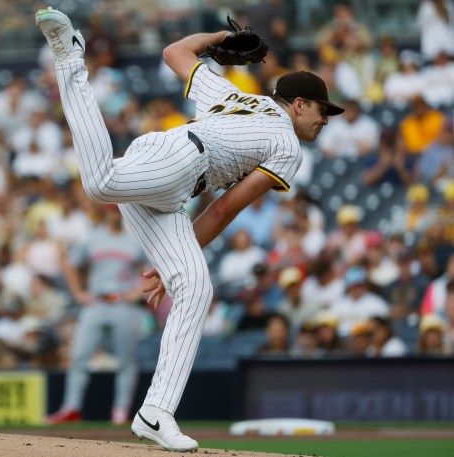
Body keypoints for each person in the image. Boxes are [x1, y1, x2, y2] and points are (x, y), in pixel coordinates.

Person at [34, 7, 344, 452]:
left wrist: (217, 39)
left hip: (170, 184)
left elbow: (174, 51)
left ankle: (155, 413)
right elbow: (223, 211)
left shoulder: (232, 93)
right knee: (100, 183)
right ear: (298, 104)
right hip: (179, 160)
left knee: (195, 287)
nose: (325, 118)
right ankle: (70, 57)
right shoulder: (287, 145)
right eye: (321, 109)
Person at [46, 204, 147, 426]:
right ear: (104, 212)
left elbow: (152, 269)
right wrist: (78, 293)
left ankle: (120, 411)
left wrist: (137, 292)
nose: (114, 214)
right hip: (97, 302)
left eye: (117, 210)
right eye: (111, 210)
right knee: (79, 356)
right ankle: (72, 408)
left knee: (126, 360)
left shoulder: (134, 239)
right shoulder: (92, 238)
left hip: (123, 303)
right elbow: (70, 265)